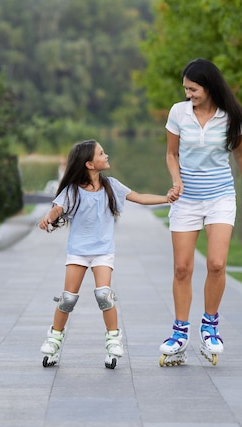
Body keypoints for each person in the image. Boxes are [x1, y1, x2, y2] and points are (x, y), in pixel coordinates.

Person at [159, 58, 242, 366]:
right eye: (186, 89)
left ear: (209, 86)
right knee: (182, 268)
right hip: (186, 199)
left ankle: (210, 326)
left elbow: (241, 156)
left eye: (193, 89)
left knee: (217, 264)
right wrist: (176, 180)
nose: (188, 94)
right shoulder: (178, 113)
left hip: (220, 196)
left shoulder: (230, 116)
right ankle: (180, 332)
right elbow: (171, 153)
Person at [39, 139, 173, 369]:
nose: (106, 155)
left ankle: (113, 340)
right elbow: (57, 208)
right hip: (78, 253)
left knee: (104, 295)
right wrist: (48, 218)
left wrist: (167, 198)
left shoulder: (112, 185)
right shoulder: (72, 191)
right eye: (102, 153)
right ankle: (54, 340)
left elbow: (140, 198)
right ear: (89, 164)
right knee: (68, 298)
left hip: (102, 252)